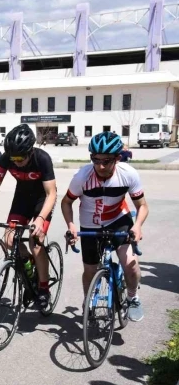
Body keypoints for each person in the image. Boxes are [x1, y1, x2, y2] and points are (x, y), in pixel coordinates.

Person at [61, 131, 149, 321]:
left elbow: (142, 206)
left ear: (117, 158)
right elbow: (66, 202)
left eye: (106, 161)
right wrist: (71, 225)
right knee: (90, 271)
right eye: (95, 159)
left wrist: (138, 226)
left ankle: (133, 297)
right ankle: (88, 300)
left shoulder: (128, 174)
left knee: (131, 265)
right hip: (90, 225)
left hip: (119, 220)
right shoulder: (82, 176)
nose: (100, 166)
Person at [0, 124, 57, 310]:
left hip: (42, 199)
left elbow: (51, 194)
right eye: (13, 158)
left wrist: (40, 219)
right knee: (9, 240)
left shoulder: (42, 159)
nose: (16, 162)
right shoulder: (6, 158)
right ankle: (29, 265)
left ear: (30, 151)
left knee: (36, 241)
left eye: (20, 158)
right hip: (22, 197)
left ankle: (43, 288)